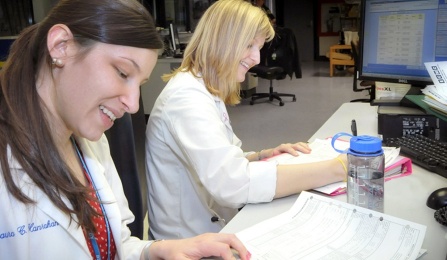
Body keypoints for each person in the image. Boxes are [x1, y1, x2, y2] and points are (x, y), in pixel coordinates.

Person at [0, 0, 250, 259]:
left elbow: (114, 245)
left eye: (139, 84)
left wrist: (157, 250)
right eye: (122, 73)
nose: (132, 105)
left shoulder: (90, 142)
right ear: (61, 46)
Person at [145, 0, 348, 240]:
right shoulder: (186, 99)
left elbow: (222, 155)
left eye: (259, 47)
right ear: (221, 40)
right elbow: (233, 185)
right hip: (187, 243)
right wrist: (338, 169)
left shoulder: (206, 89)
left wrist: (262, 155)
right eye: (249, 45)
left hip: (213, 225)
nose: (256, 58)